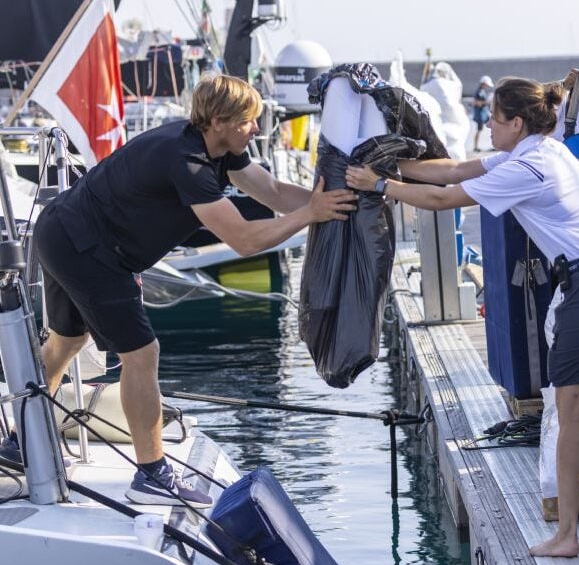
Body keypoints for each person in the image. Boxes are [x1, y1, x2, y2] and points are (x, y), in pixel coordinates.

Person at [0, 74, 357, 506]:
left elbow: (274, 192)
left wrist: (339, 203)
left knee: (68, 341)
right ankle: (153, 476)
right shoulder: (188, 162)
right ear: (220, 121)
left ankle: (18, 443)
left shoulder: (219, 150)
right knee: (141, 353)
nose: (256, 130)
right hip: (86, 248)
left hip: (61, 229)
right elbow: (245, 241)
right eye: (249, 121)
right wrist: (310, 215)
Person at [344, 77, 579, 559]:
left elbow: (444, 199)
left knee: (573, 412)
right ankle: (577, 527)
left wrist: (379, 185)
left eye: (494, 118)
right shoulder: (539, 152)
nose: (488, 125)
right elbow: (455, 169)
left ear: (517, 123)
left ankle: (568, 535)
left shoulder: (527, 167)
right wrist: (391, 164)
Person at [471, 75, 494, 152]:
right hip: (480, 114)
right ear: (483, 83)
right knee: (479, 129)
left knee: (493, 126)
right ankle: (475, 147)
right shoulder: (479, 92)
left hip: (484, 114)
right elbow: (476, 103)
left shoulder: (482, 91)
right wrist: (487, 102)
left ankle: (493, 144)